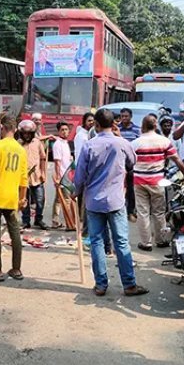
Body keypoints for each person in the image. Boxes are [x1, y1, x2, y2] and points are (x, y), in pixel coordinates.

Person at [73, 108, 149, 297]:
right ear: (113, 124)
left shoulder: (89, 146)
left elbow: (80, 175)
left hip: (94, 201)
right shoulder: (122, 143)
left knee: (97, 242)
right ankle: (129, 284)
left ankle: (100, 285)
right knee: (121, 242)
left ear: (96, 125)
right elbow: (132, 163)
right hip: (115, 201)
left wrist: (76, 192)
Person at [131, 115, 184, 251]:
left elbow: (128, 162)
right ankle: (161, 239)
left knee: (143, 212)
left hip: (139, 181)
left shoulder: (135, 143)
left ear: (143, 126)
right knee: (159, 212)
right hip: (157, 181)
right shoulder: (164, 141)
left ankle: (146, 243)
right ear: (155, 125)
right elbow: (176, 159)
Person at [0, 116, 28, 282]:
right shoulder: (21, 149)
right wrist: (22, 198)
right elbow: (24, 178)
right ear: (15, 130)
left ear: (2, 128)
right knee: (15, 232)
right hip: (12, 198)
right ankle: (16, 269)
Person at [19, 120, 48, 230]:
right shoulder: (18, 144)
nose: (26, 136)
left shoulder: (37, 142)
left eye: (29, 133)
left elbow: (43, 158)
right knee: (24, 200)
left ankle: (38, 219)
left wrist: (44, 173)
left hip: (37, 176)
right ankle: (26, 221)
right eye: (24, 133)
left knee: (40, 200)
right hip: (23, 178)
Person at [118, 108, 140, 221]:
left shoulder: (137, 130)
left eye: (126, 116)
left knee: (131, 189)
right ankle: (119, 211)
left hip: (131, 164)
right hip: (118, 164)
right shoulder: (116, 129)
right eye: (122, 116)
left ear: (130, 117)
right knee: (118, 188)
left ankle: (131, 211)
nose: (124, 118)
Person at [52, 121, 72, 229]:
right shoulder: (58, 144)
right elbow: (57, 162)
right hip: (62, 175)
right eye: (62, 130)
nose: (64, 132)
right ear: (58, 131)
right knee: (66, 199)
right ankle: (69, 221)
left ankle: (55, 221)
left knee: (59, 199)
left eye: (66, 130)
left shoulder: (65, 143)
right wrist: (58, 177)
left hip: (67, 174)